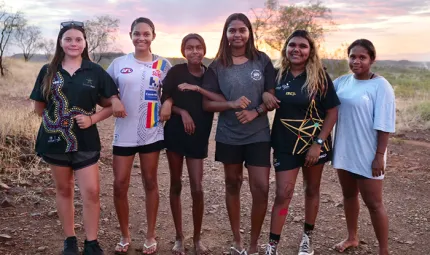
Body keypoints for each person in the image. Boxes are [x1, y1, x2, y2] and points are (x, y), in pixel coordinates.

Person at [29, 21, 124, 255]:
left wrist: (92, 119)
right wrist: (58, 121)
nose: (73, 43)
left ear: (84, 43)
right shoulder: (48, 71)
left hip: (86, 140)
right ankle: (70, 240)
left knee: (91, 191)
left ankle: (91, 242)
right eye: (68, 39)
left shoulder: (95, 71)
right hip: (54, 140)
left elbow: (112, 103)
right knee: (64, 189)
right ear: (60, 43)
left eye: (78, 39)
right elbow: (38, 108)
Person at [201, 13, 276, 255]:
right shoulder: (217, 66)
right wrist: (231, 104)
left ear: (249, 33)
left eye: (241, 30)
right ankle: (237, 241)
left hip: (259, 135)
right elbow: (207, 104)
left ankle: (254, 244)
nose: (237, 35)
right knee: (232, 184)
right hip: (229, 135)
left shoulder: (261, 60)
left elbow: (271, 95)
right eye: (232, 30)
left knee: (261, 187)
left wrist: (257, 110)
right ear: (226, 34)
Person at [263, 30, 340, 255]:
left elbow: (333, 112)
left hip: (315, 146)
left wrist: (318, 143)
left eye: (302, 46)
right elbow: (264, 97)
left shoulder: (320, 77)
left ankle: (307, 237)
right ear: (286, 49)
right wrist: (264, 97)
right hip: (285, 144)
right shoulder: (277, 76)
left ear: (310, 51)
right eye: (292, 45)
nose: (296, 49)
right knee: (283, 194)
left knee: (311, 189)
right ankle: (272, 245)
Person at [106, 17, 171, 255]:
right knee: (119, 184)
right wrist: (113, 99)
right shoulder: (118, 63)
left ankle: (151, 235)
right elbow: (106, 92)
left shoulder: (164, 65)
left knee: (150, 182)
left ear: (153, 35)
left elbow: (171, 92)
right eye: (137, 33)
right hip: (124, 132)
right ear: (130, 35)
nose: (141, 38)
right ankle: (125, 235)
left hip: (151, 131)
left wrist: (169, 102)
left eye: (146, 33)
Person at [160, 33, 226, 255]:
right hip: (176, 133)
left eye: (198, 47)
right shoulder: (176, 72)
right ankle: (179, 237)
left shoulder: (210, 75)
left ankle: (197, 238)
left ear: (204, 50)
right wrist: (183, 112)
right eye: (190, 48)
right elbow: (165, 98)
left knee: (197, 187)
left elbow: (217, 99)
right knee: (176, 184)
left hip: (199, 136)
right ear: (183, 51)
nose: (194, 51)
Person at [332, 39, 395, 255]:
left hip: (368, 153)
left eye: (362, 57)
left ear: (372, 60)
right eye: (352, 56)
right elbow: (323, 102)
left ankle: (383, 250)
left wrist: (379, 155)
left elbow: (385, 123)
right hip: (344, 150)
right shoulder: (341, 82)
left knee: (374, 203)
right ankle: (352, 237)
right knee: (349, 196)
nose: (356, 61)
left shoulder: (380, 86)